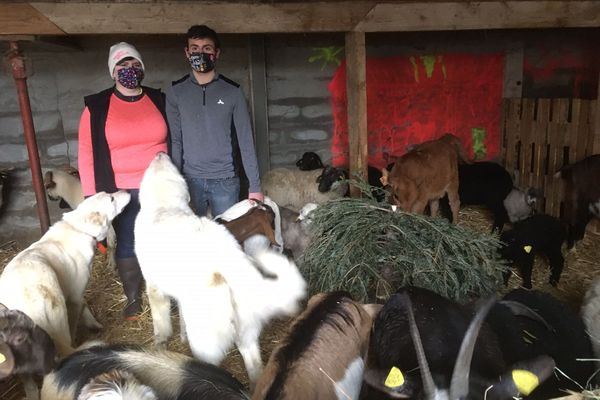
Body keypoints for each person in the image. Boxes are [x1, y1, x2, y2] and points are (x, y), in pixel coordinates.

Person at [78, 42, 169, 320]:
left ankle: (167, 292)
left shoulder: (159, 99)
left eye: (134, 65)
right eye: (122, 66)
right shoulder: (97, 107)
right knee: (129, 241)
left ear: (142, 68)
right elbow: (86, 151)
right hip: (121, 189)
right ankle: (132, 297)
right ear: (112, 72)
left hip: (160, 186)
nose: (129, 70)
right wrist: (91, 194)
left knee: (164, 239)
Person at [166, 25, 263, 217]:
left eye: (207, 48)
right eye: (195, 48)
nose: (200, 53)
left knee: (227, 240)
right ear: (187, 52)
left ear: (216, 53)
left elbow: (246, 141)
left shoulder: (232, 91)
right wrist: (174, 182)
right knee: (191, 241)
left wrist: (255, 186)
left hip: (225, 180)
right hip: (189, 180)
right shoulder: (176, 91)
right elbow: (175, 141)